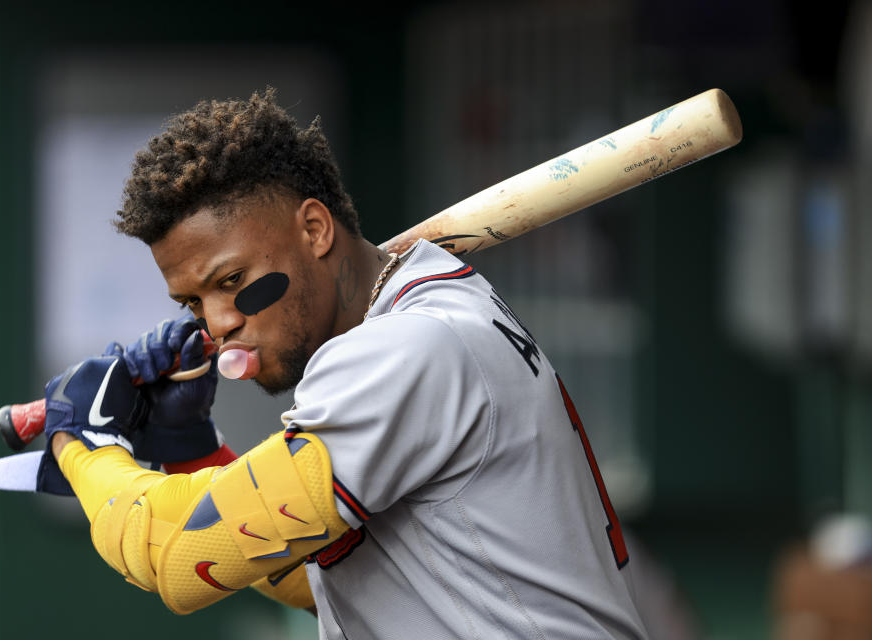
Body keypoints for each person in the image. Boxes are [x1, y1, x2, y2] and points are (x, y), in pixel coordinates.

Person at [40, 89, 649, 639]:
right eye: (194, 303)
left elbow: (178, 560)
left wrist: (83, 440)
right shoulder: (428, 311)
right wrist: (192, 451)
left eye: (233, 281)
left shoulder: (407, 348)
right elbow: (323, 575)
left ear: (314, 229)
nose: (219, 322)